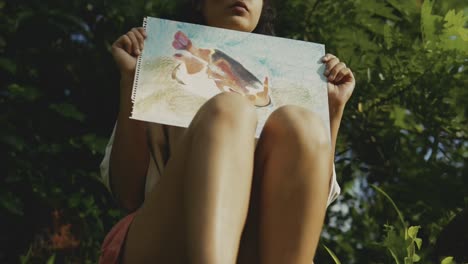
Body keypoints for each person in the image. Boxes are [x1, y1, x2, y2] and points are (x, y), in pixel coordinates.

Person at [99, 0, 355, 263]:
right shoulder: (156, 64)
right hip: (162, 240)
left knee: (304, 124)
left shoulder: (296, 82)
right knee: (230, 108)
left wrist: (333, 110)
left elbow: (304, 212)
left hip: (257, 246)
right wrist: (131, 79)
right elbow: (127, 194)